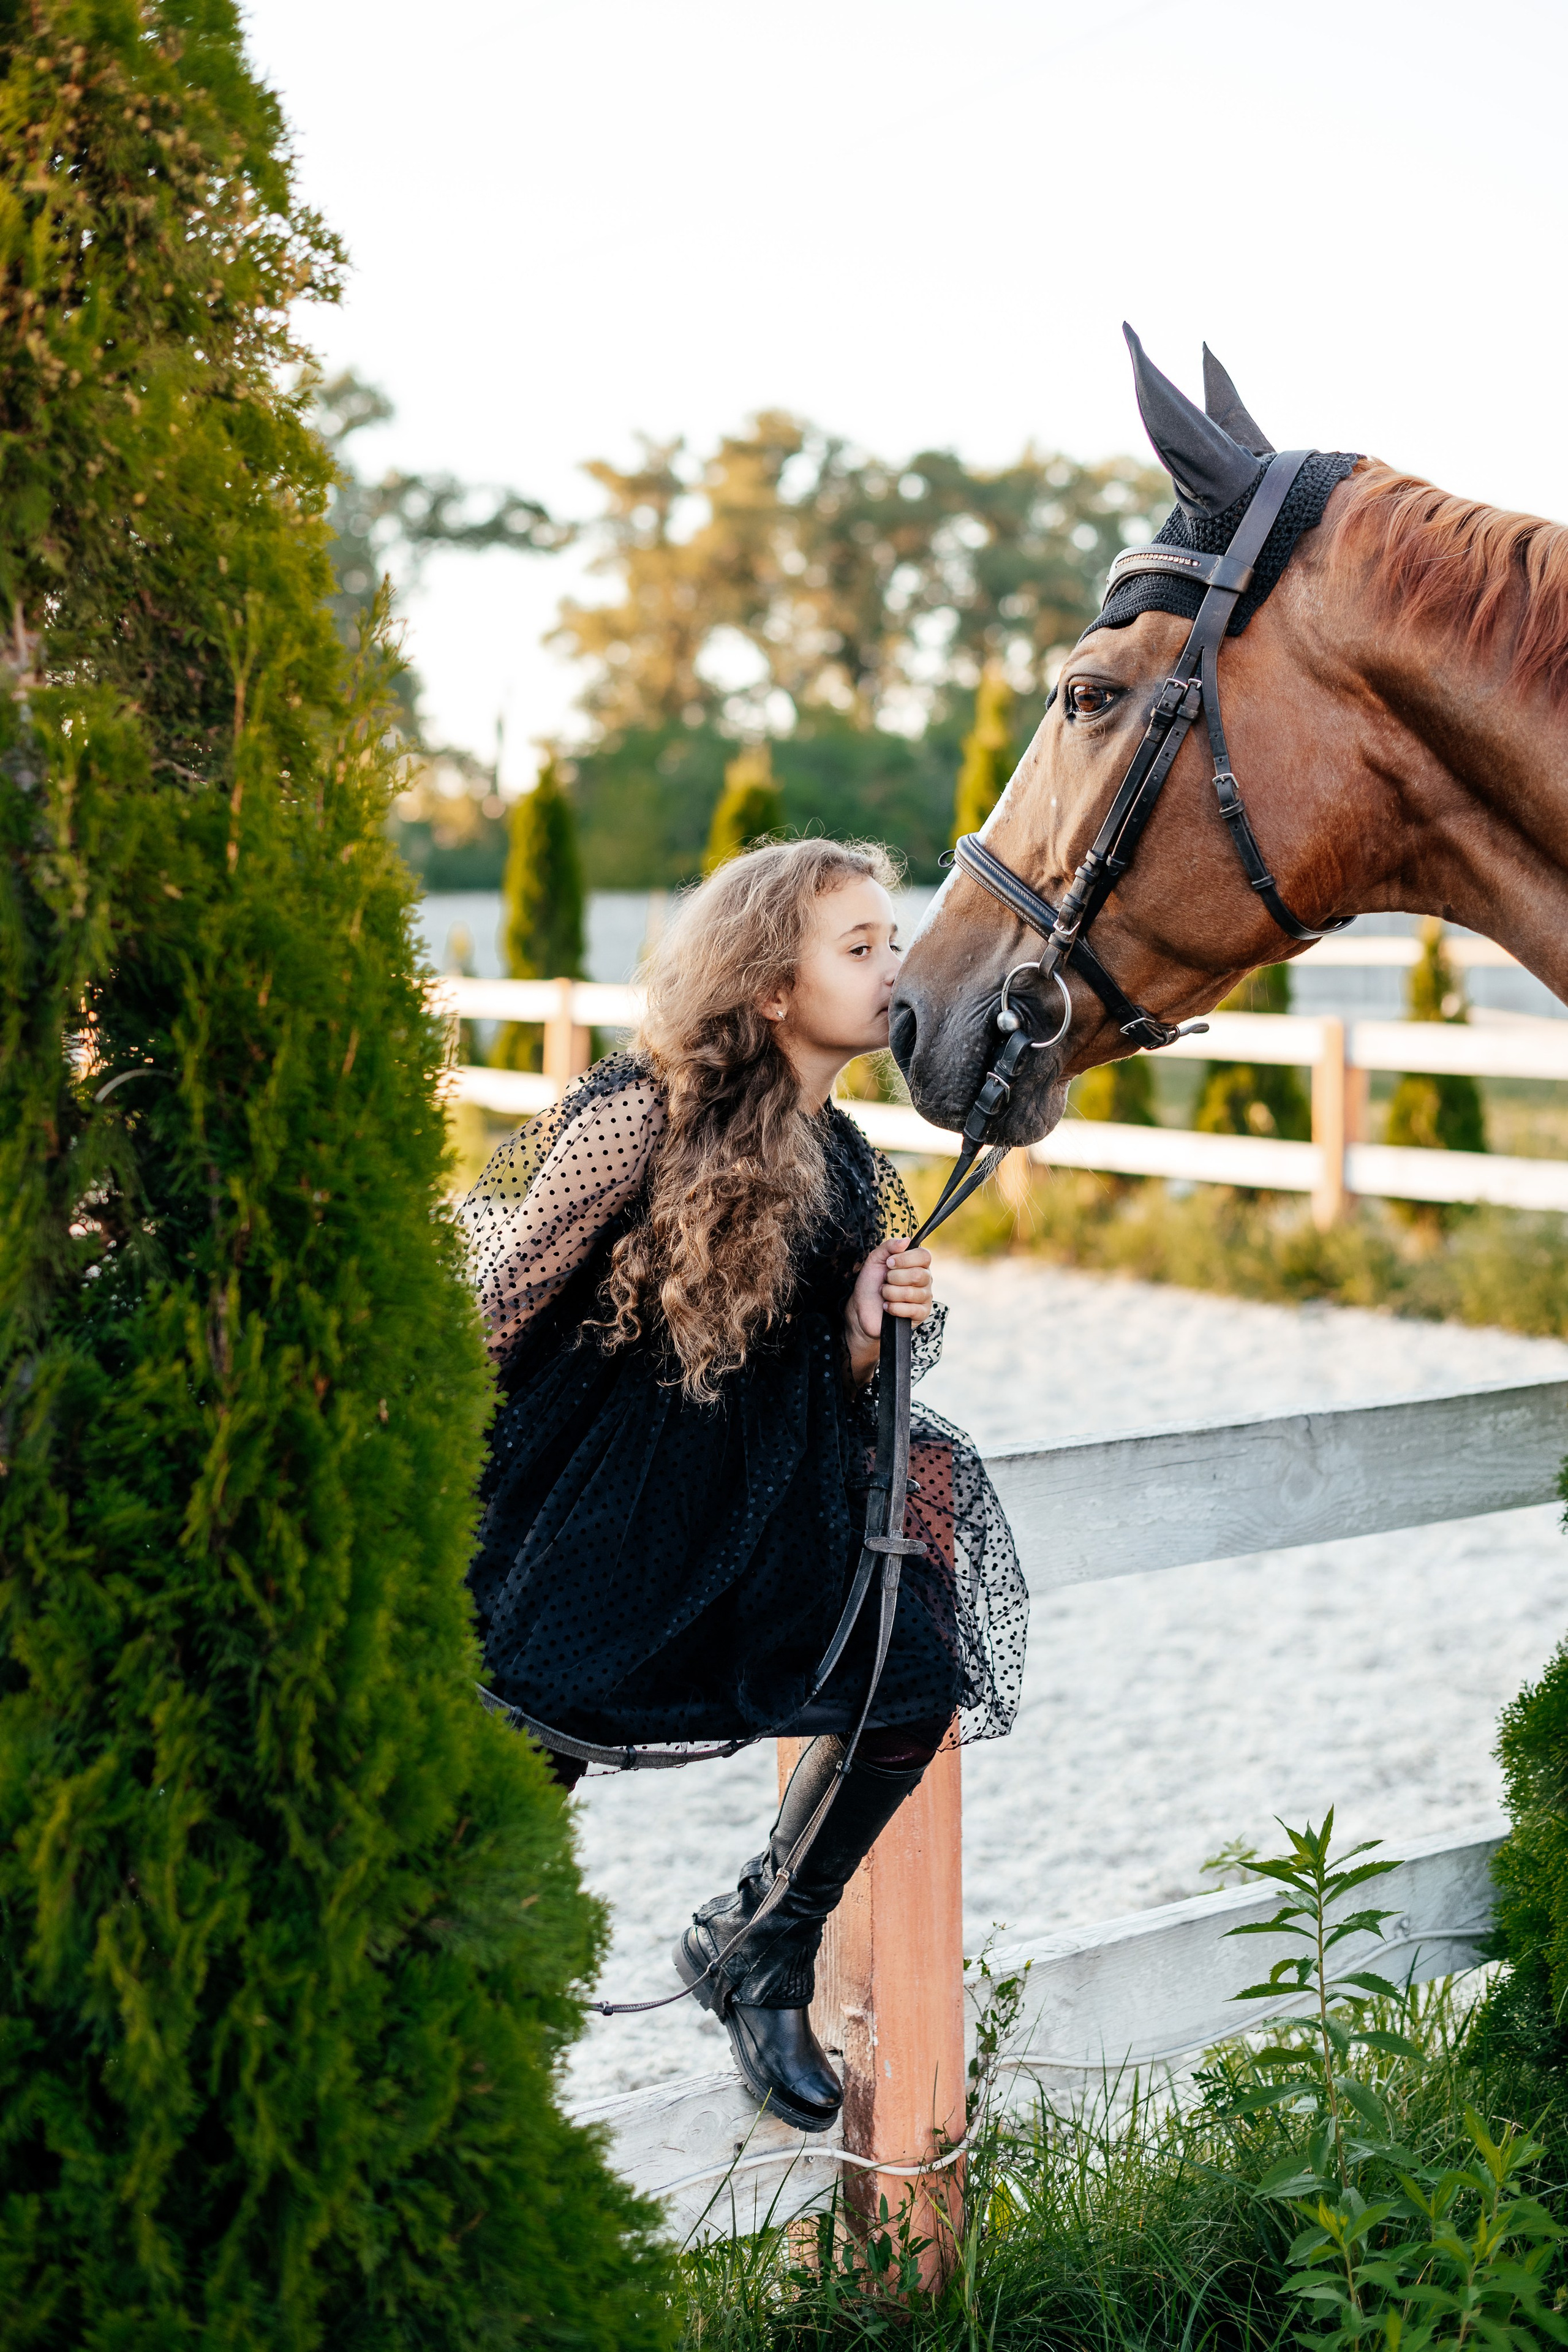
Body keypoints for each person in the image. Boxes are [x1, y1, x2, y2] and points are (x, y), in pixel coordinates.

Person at [460, 838, 1027, 2132]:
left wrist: (865, 1334)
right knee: (513, 1756)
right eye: (860, 947)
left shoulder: (846, 1158)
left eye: (893, 941)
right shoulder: (635, 1111)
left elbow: (810, 1376)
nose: (894, 969)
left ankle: (759, 1944)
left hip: (753, 1516)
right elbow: (497, 1308)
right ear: (770, 986)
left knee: (910, 1677)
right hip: (596, 1520)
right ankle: (455, 2008)